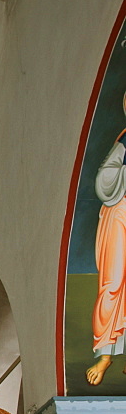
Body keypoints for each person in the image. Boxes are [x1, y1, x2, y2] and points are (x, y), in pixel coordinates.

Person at [86, 94, 126, 385]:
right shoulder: (124, 142)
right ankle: (105, 355)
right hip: (121, 213)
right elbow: (104, 180)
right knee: (113, 284)